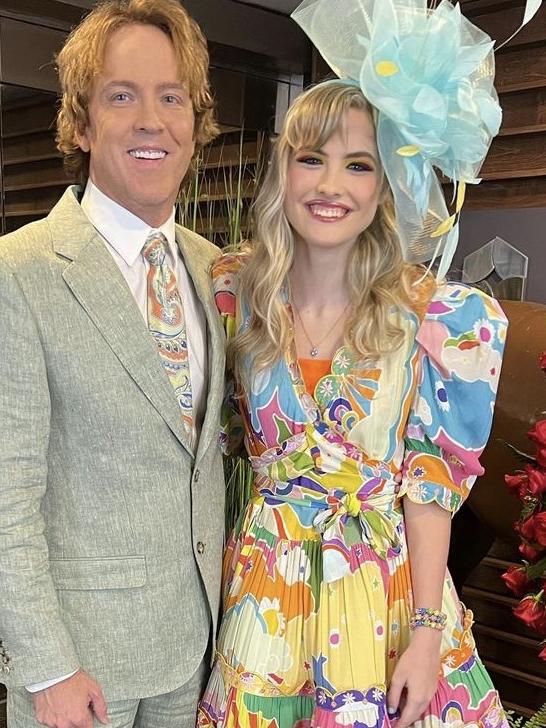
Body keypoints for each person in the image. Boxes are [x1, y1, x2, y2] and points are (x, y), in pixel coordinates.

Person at [197, 1, 512, 724]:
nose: (331, 185)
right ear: (286, 171)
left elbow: (429, 487)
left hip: (385, 601)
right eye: (312, 159)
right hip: (265, 602)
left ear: (383, 187)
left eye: (357, 165)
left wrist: (427, 637)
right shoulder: (234, 294)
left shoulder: (432, 319)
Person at [0, 1, 226, 726]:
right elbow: (5, 498)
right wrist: (49, 667)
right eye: (121, 96)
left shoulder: (213, 268)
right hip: (80, 677)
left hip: (196, 653)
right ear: (81, 123)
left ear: (196, 121)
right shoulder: (20, 273)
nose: (151, 120)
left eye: (172, 97)